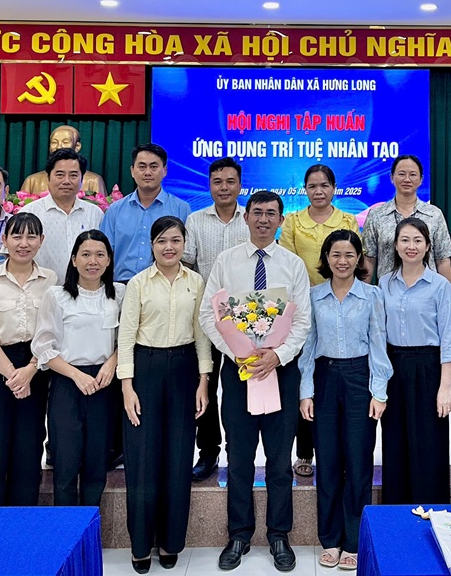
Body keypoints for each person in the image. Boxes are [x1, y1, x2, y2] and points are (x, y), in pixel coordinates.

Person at [198, 191, 312, 573]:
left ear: (281, 220)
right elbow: (209, 315)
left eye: (271, 214)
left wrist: (277, 355)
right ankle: (239, 534)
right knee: (239, 457)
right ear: (245, 217)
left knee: (279, 460)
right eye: (257, 213)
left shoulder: (293, 265)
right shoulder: (226, 262)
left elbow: (302, 321)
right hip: (238, 370)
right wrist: (237, 353)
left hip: (281, 370)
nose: (264, 219)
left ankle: (279, 534)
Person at [119, 216, 211, 572]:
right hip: (146, 367)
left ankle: (171, 541)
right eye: (161, 241)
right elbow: (126, 337)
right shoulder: (138, 283)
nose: (169, 247)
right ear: (152, 245)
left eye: (175, 240)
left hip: (185, 368)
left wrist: (203, 380)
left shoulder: (196, 282)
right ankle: (141, 545)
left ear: (184, 244)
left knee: (178, 455)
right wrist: (127, 386)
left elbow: (201, 334)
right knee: (142, 458)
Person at [299, 229, 391, 571]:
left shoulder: (372, 295)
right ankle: (330, 538)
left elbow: (378, 343)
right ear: (326, 258)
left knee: (358, 461)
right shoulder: (314, 296)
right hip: (324, 377)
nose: (342, 261)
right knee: (327, 460)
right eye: (336, 254)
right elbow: (308, 346)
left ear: (359, 259)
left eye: (349, 255)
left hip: (359, 378)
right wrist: (305, 391)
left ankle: (353, 540)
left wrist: (379, 391)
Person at [0, 213, 58, 506]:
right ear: (4, 240)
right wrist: (12, 374)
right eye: (17, 236)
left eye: (31, 237)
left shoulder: (51, 280)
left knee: (28, 450)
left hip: (36, 366)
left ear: (41, 241)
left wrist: (30, 370)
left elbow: (52, 331)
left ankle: (23, 524)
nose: (24, 243)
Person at [33, 230, 124, 507]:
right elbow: (43, 346)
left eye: (99, 255)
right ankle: (66, 527)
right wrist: (76, 375)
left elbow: (129, 338)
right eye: (85, 254)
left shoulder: (119, 294)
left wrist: (112, 362)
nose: (92, 261)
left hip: (104, 383)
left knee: (97, 462)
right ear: (74, 260)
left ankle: (90, 526)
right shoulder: (57, 295)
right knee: (66, 462)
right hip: (67, 381)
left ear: (109, 260)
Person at [280, 164, 360, 479]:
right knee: (306, 378)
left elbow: (354, 261)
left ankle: (340, 451)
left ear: (334, 188)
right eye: (312, 186)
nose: (319, 191)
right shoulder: (292, 222)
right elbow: (287, 266)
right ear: (305, 189)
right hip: (304, 309)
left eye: (324, 185)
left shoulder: (348, 221)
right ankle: (304, 452)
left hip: (342, 307)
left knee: (337, 381)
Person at [379, 217, 451, 505]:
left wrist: (445, 387)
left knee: (428, 444)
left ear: (427, 246)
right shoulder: (384, 283)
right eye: (405, 240)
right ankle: (396, 514)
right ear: (395, 245)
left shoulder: (439, 286)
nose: (411, 246)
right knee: (395, 442)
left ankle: (431, 511)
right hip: (393, 367)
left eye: (417, 240)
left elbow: (448, 339)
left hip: (428, 367)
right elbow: (378, 334)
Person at [183, 157, 249, 482]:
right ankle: (208, 451)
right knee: (204, 383)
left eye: (230, 181)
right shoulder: (195, 221)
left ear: (240, 185)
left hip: (244, 320)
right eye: (217, 182)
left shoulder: (251, 220)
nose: (224, 187)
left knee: (237, 387)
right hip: (206, 319)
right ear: (209, 185)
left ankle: (240, 448)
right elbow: (187, 265)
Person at [101, 143, 191, 283]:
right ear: (132, 171)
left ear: (165, 170)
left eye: (154, 167)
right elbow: (103, 253)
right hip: (122, 286)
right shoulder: (115, 210)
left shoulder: (181, 209)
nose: (147, 172)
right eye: (142, 167)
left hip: (165, 286)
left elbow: (186, 256)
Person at [362, 155, 451, 284]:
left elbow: (442, 259)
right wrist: (364, 292)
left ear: (421, 180)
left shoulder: (434, 214)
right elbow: (369, 259)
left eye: (412, 175)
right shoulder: (376, 215)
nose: (407, 179)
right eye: (401, 174)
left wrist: (447, 293)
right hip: (388, 291)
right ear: (392, 178)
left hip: (427, 291)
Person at [21, 148, 104, 284]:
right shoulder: (30, 213)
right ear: (48, 178)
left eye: (73, 175)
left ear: (82, 179)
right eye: (60, 175)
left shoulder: (95, 213)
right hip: (41, 289)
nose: (66, 181)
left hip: (84, 290)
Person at [21, 124, 108, 196]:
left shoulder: (93, 181)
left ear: (77, 147)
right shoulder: (32, 181)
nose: (59, 146)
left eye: (65, 142)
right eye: (54, 142)